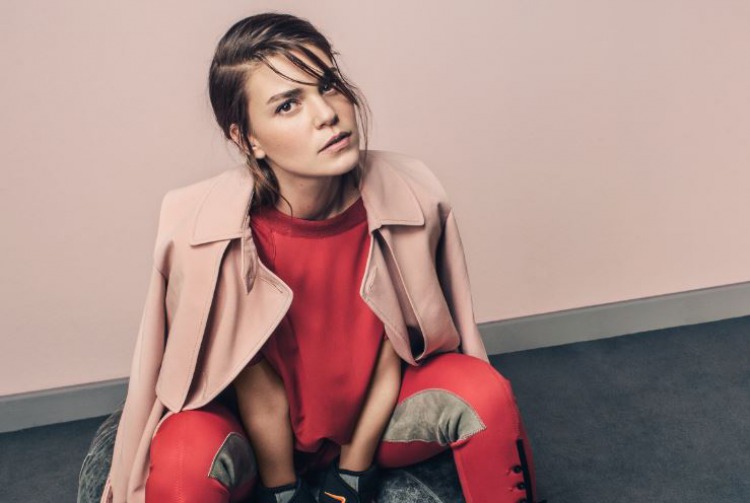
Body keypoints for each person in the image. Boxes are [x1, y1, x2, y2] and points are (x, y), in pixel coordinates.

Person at [102, 12, 542, 503]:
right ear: (247, 140)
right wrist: (282, 489)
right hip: (253, 435)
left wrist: (351, 475)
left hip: (378, 417)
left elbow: (391, 356)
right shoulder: (209, 233)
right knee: (183, 457)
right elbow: (255, 384)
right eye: (288, 104)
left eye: (328, 85)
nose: (327, 114)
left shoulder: (410, 196)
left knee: (486, 394)